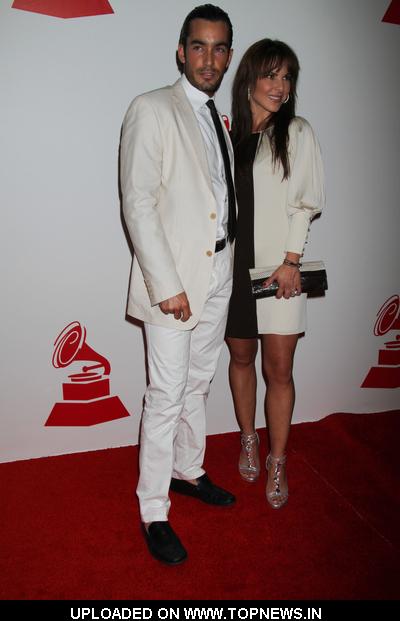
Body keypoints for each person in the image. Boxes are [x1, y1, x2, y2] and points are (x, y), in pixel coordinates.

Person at [120, 4, 236, 565]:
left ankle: (188, 470)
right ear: (180, 50)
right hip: (173, 281)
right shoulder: (151, 108)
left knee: (199, 380)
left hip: (219, 272)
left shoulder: (218, 115)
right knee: (165, 395)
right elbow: (138, 203)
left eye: (219, 49)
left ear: (229, 56)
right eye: (198, 46)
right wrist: (164, 283)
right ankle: (152, 509)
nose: (208, 58)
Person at [225, 39, 325, 509]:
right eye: (270, 74)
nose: (279, 86)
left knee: (278, 370)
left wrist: (291, 262)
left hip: (277, 273)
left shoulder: (297, 132)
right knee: (241, 360)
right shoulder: (230, 138)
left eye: (287, 77)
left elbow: (305, 204)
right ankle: (248, 437)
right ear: (249, 78)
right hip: (230, 274)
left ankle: (277, 459)